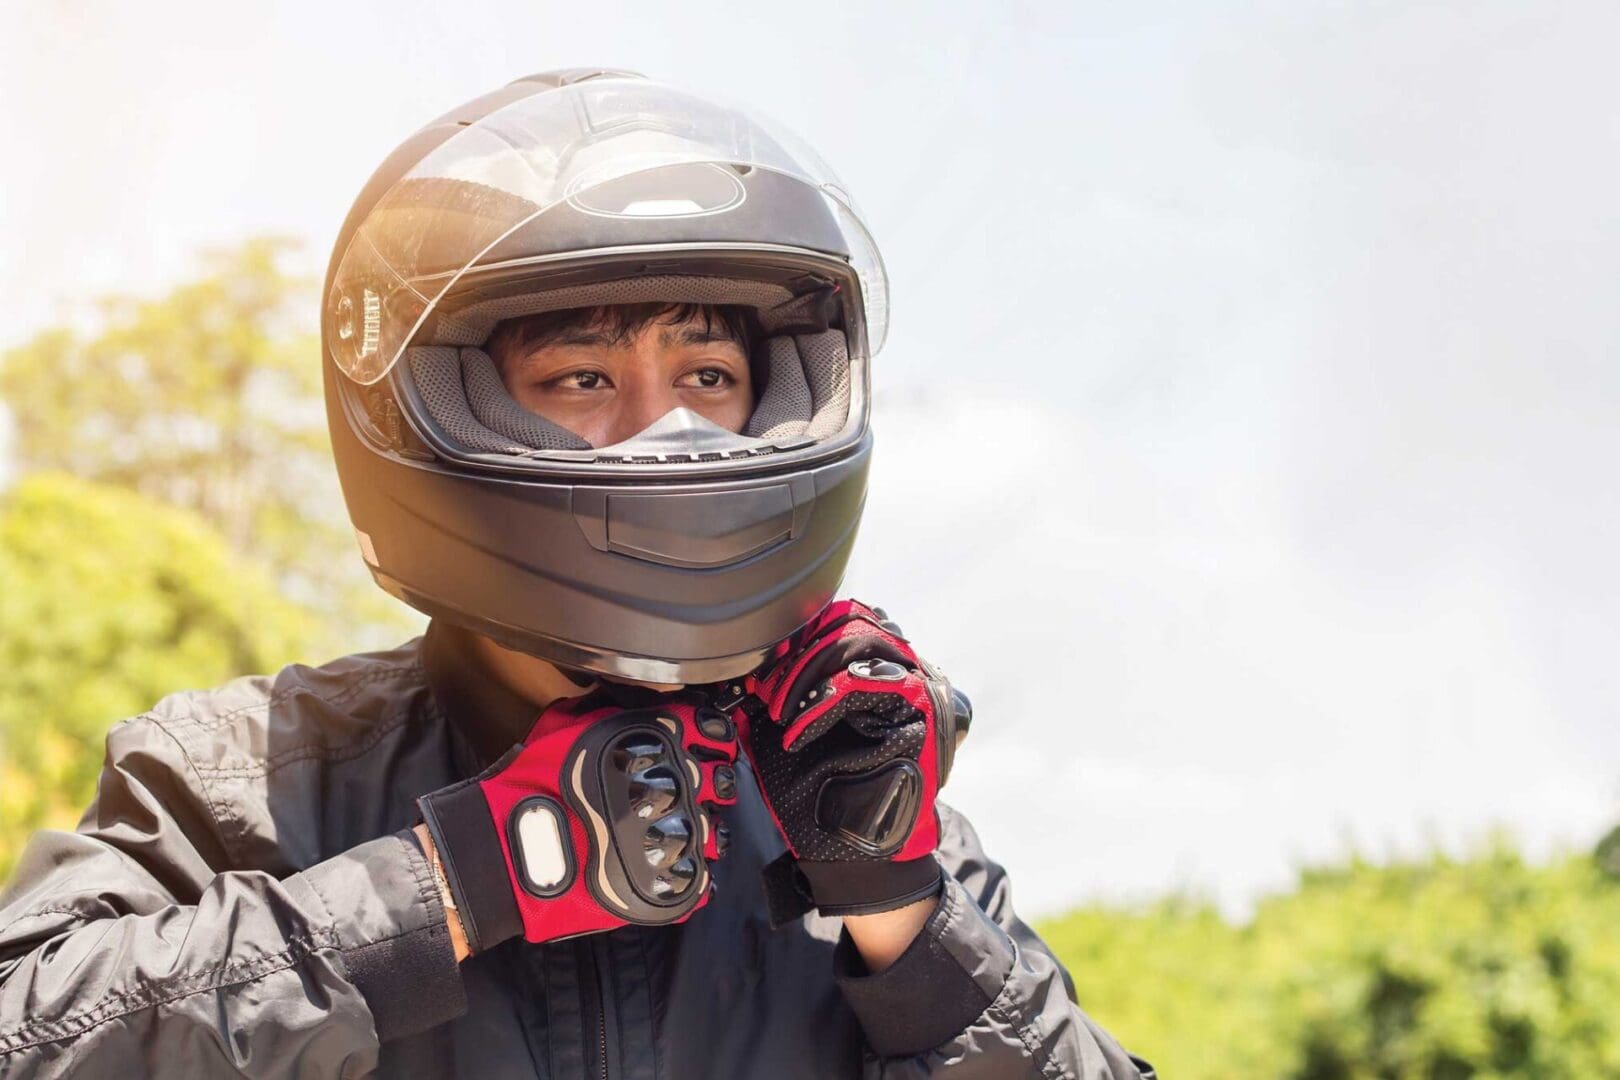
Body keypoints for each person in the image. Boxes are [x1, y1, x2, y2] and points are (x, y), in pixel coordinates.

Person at [0, 70, 1155, 1078]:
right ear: (443, 401)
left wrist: (906, 920)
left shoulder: (858, 806)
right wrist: (455, 880)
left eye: (708, 376)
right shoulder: (252, 780)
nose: (672, 435)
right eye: (584, 380)